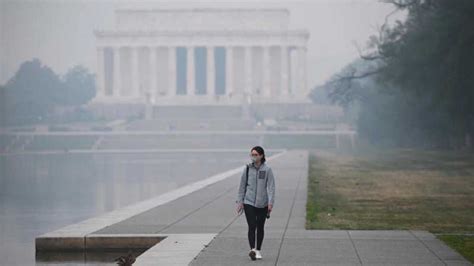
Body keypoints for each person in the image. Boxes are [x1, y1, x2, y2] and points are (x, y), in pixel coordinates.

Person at [236, 146, 275, 261]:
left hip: (263, 203)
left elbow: (271, 187)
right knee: (252, 226)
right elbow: (242, 186)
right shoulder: (247, 169)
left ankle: (258, 250)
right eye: (252, 155)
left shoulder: (267, 170)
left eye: (256, 155)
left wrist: (270, 203)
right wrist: (240, 202)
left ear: (261, 156)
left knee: (260, 227)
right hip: (249, 202)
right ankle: (252, 249)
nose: (253, 157)